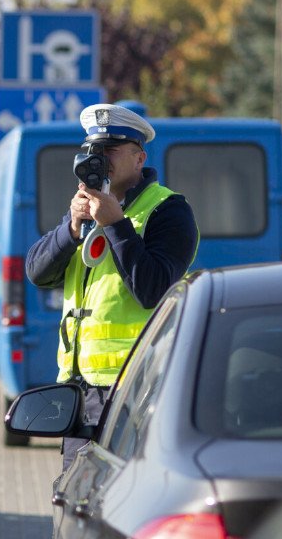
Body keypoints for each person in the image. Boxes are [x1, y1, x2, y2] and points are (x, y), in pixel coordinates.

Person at [26, 103, 199, 468]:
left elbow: (152, 288)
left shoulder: (168, 210)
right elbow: (37, 272)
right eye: (92, 150)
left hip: (138, 387)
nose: (98, 158)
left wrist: (117, 225)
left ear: (139, 158)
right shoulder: (85, 209)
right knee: (76, 502)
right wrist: (71, 229)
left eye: (109, 150)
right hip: (81, 391)